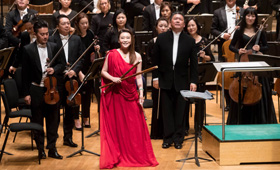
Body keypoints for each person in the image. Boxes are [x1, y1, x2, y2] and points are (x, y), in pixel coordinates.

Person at [100, 28, 158, 169]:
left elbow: (138, 76)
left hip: (131, 94)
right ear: (119, 40)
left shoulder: (137, 56)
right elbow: (103, 71)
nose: (125, 40)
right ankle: (119, 154)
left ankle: (135, 154)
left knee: (135, 126)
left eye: (128, 38)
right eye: (123, 38)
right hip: (117, 94)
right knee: (118, 126)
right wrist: (113, 78)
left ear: (131, 40)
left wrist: (142, 93)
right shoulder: (112, 54)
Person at [152, 12, 198, 149]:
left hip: (182, 81)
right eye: (175, 19)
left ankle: (178, 139)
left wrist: (194, 81)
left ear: (184, 24)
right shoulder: (161, 38)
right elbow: (155, 61)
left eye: (180, 19)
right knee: (166, 111)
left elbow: (194, 64)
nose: (177, 21)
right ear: (170, 23)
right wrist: (155, 78)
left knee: (180, 111)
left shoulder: (190, 41)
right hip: (165, 80)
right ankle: (167, 138)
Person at [22, 19, 64, 159]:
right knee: (37, 121)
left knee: (53, 121)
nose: (45, 36)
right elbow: (25, 74)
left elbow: (62, 64)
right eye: (42, 34)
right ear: (35, 34)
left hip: (52, 89)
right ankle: (41, 149)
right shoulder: (28, 50)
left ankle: (52, 148)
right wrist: (26, 94)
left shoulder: (54, 46)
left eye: (47, 33)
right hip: (36, 90)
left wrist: (54, 69)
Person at [227, 7, 277, 124]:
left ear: (256, 17)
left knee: (260, 88)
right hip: (244, 64)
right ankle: (239, 120)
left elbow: (266, 47)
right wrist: (238, 50)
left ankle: (261, 120)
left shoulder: (260, 31)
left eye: (253, 16)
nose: (250, 18)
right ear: (244, 17)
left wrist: (260, 48)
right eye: (248, 15)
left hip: (257, 65)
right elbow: (231, 46)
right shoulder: (239, 31)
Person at [49, 15, 84, 147]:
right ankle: (52, 140)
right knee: (55, 111)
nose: (66, 26)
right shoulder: (52, 40)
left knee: (70, 109)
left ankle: (68, 137)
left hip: (72, 80)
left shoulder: (76, 39)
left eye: (68, 23)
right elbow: (52, 60)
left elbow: (81, 58)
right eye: (63, 24)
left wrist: (75, 70)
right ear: (57, 26)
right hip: (57, 80)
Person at [185, 17, 215, 134]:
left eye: (193, 25)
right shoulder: (185, 40)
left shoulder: (204, 41)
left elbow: (211, 58)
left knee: (200, 103)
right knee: (185, 101)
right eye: (188, 26)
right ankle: (185, 127)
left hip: (200, 74)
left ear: (197, 26)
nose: (191, 28)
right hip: (187, 74)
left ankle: (198, 127)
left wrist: (204, 56)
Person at [74, 12, 99, 130]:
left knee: (87, 95)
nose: (85, 25)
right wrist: (79, 73)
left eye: (86, 23)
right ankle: (76, 119)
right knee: (77, 95)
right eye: (82, 23)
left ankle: (85, 117)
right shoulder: (74, 37)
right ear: (77, 24)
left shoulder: (90, 34)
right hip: (77, 69)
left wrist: (96, 49)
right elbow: (74, 57)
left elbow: (92, 54)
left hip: (88, 68)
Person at [148, 17, 169, 139]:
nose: (163, 28)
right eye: (160, 26)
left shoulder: (172, 40)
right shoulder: (153, 42)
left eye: (165, 26)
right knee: (158, 103)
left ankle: (168, 131)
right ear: (156, 28)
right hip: (157, 76)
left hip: (169, 76)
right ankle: (157, 132)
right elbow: (149, 61)